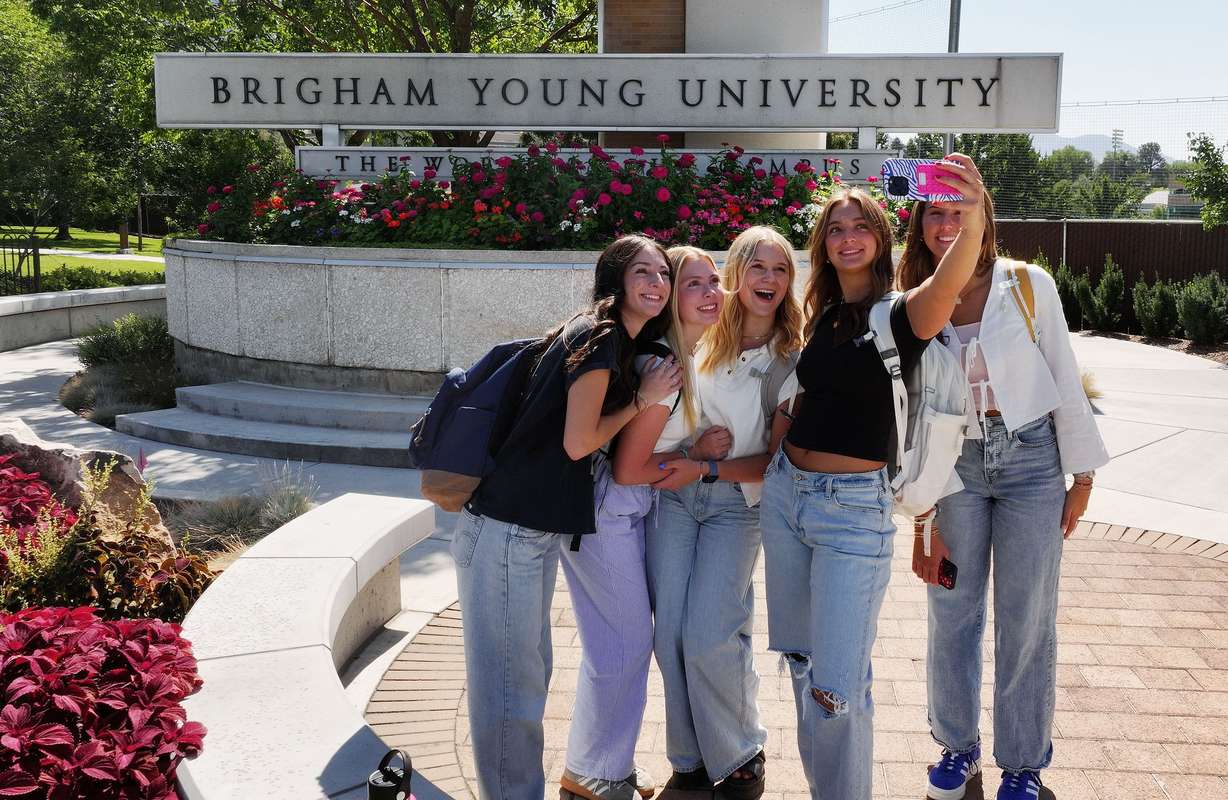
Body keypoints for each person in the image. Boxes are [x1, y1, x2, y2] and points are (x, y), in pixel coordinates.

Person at [759, 155, 986, 800]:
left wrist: (967, 210)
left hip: (851, 512)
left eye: (860, 225)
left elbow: (950, 279)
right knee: (804, 668)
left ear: (880, 240)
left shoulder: (900, 315)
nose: (847, 236)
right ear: (823, 244)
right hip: (786, 496)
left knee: (836, 684)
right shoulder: (820, 317)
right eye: (835, 228)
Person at [452, 234, 682, 800]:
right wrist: (644, 400)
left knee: (524, 679)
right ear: (617, 282)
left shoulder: (604, 339)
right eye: (643, 273)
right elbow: (580, 443)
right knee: (511, 689)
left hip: (521, 532)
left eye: (662, 274)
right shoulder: (601, 339)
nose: (657, 283)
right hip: (506, 530)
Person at [899, 192, 1109, 800]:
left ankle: (1022, 762)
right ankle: (956, 749)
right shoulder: (912, 294)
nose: (947, 225)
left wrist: (1083, 476)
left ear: (983, 217)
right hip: (953, 465)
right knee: (952, 611)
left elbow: (1064, 374)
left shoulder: (1025, 283)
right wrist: (920, 516)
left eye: (959, 212)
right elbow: (909, 411)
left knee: (1027, 619)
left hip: (1031, 461)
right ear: (919, 225)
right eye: (935, 214)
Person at [559, 245, 726, 800]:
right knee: (624, 645)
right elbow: (630, 468)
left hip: (618, 514)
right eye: (693, 283)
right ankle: (593, 773)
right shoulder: (663, 363)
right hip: (605, 515)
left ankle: (600, 764)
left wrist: (689, 447)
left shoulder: (674, 354)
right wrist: (695, 465)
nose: (710, 293)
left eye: (714, 282)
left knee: (617, 643)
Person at [644, 227, 803, 799]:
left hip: (737, 504)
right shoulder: (702, 337)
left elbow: (774, 463)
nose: (767, 279)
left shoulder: (790, 362)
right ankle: (688, 757)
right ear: (736, 275)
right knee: (672, 636)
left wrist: (706, 469)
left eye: (779, 269)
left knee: (712, 632)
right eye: (756, 267)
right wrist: (688, 461)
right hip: (676, 496)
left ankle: (740, 752)